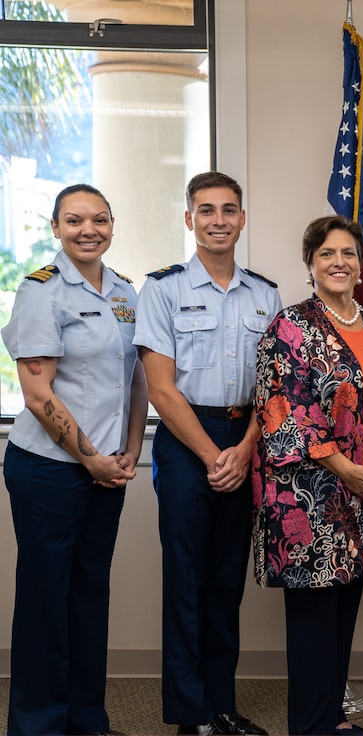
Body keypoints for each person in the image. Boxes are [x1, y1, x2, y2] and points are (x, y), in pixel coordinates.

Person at [134, 171, 281, 736]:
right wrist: (213, 455)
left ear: (242, 219)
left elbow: (272, 386)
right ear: (189, 218)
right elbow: (160, 389)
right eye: (206, 210)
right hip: (184, 440)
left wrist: (243, 449)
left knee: (226, 584)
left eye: (228, 209)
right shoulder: (163, 290)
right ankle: (189, 715)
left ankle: (222, 707)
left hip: (247, 438)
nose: (218, 219)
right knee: (187, 582)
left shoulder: (264, 294)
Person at [251, 215, 363, 735]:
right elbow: (283, 413)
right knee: (315, 625)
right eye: (327, 254)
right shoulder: (290, 327)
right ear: (310, 263)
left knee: (343, 616)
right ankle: (311, 728)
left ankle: (331, 723)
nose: (339, 262)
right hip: (314, 499)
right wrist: (348, 471)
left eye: (348, 253)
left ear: (362, 262)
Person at [2, 184, 147, 736]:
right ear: (56, 226)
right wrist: (92, 460)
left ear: (112, 224)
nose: (89, 229)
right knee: (46, 600)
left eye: (100, 219)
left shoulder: (124, 292)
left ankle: (88, 720)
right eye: (75, 220)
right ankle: (38, 726)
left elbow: (136, 378)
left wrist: (132, 448)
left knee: (89, 595)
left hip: (106, 471)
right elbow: (39, 394)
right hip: (49, 471)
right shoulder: (42, 291)